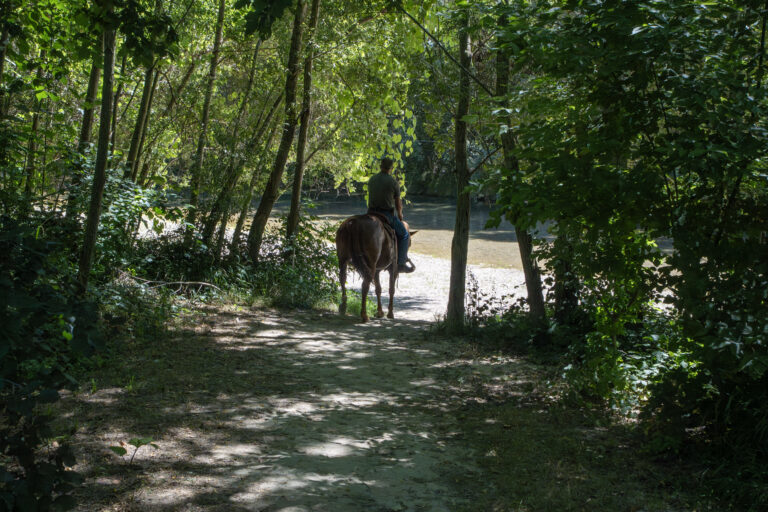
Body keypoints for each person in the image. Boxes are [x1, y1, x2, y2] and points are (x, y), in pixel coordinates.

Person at [367, 157, 414, 273]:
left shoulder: (372, 179)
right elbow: (398, 204)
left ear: (380, 166)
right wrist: (400, 216)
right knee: (404, 234)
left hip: (371, 213)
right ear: (391, 168)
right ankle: (401, 263)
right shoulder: (393, 182)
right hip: (385, 214)